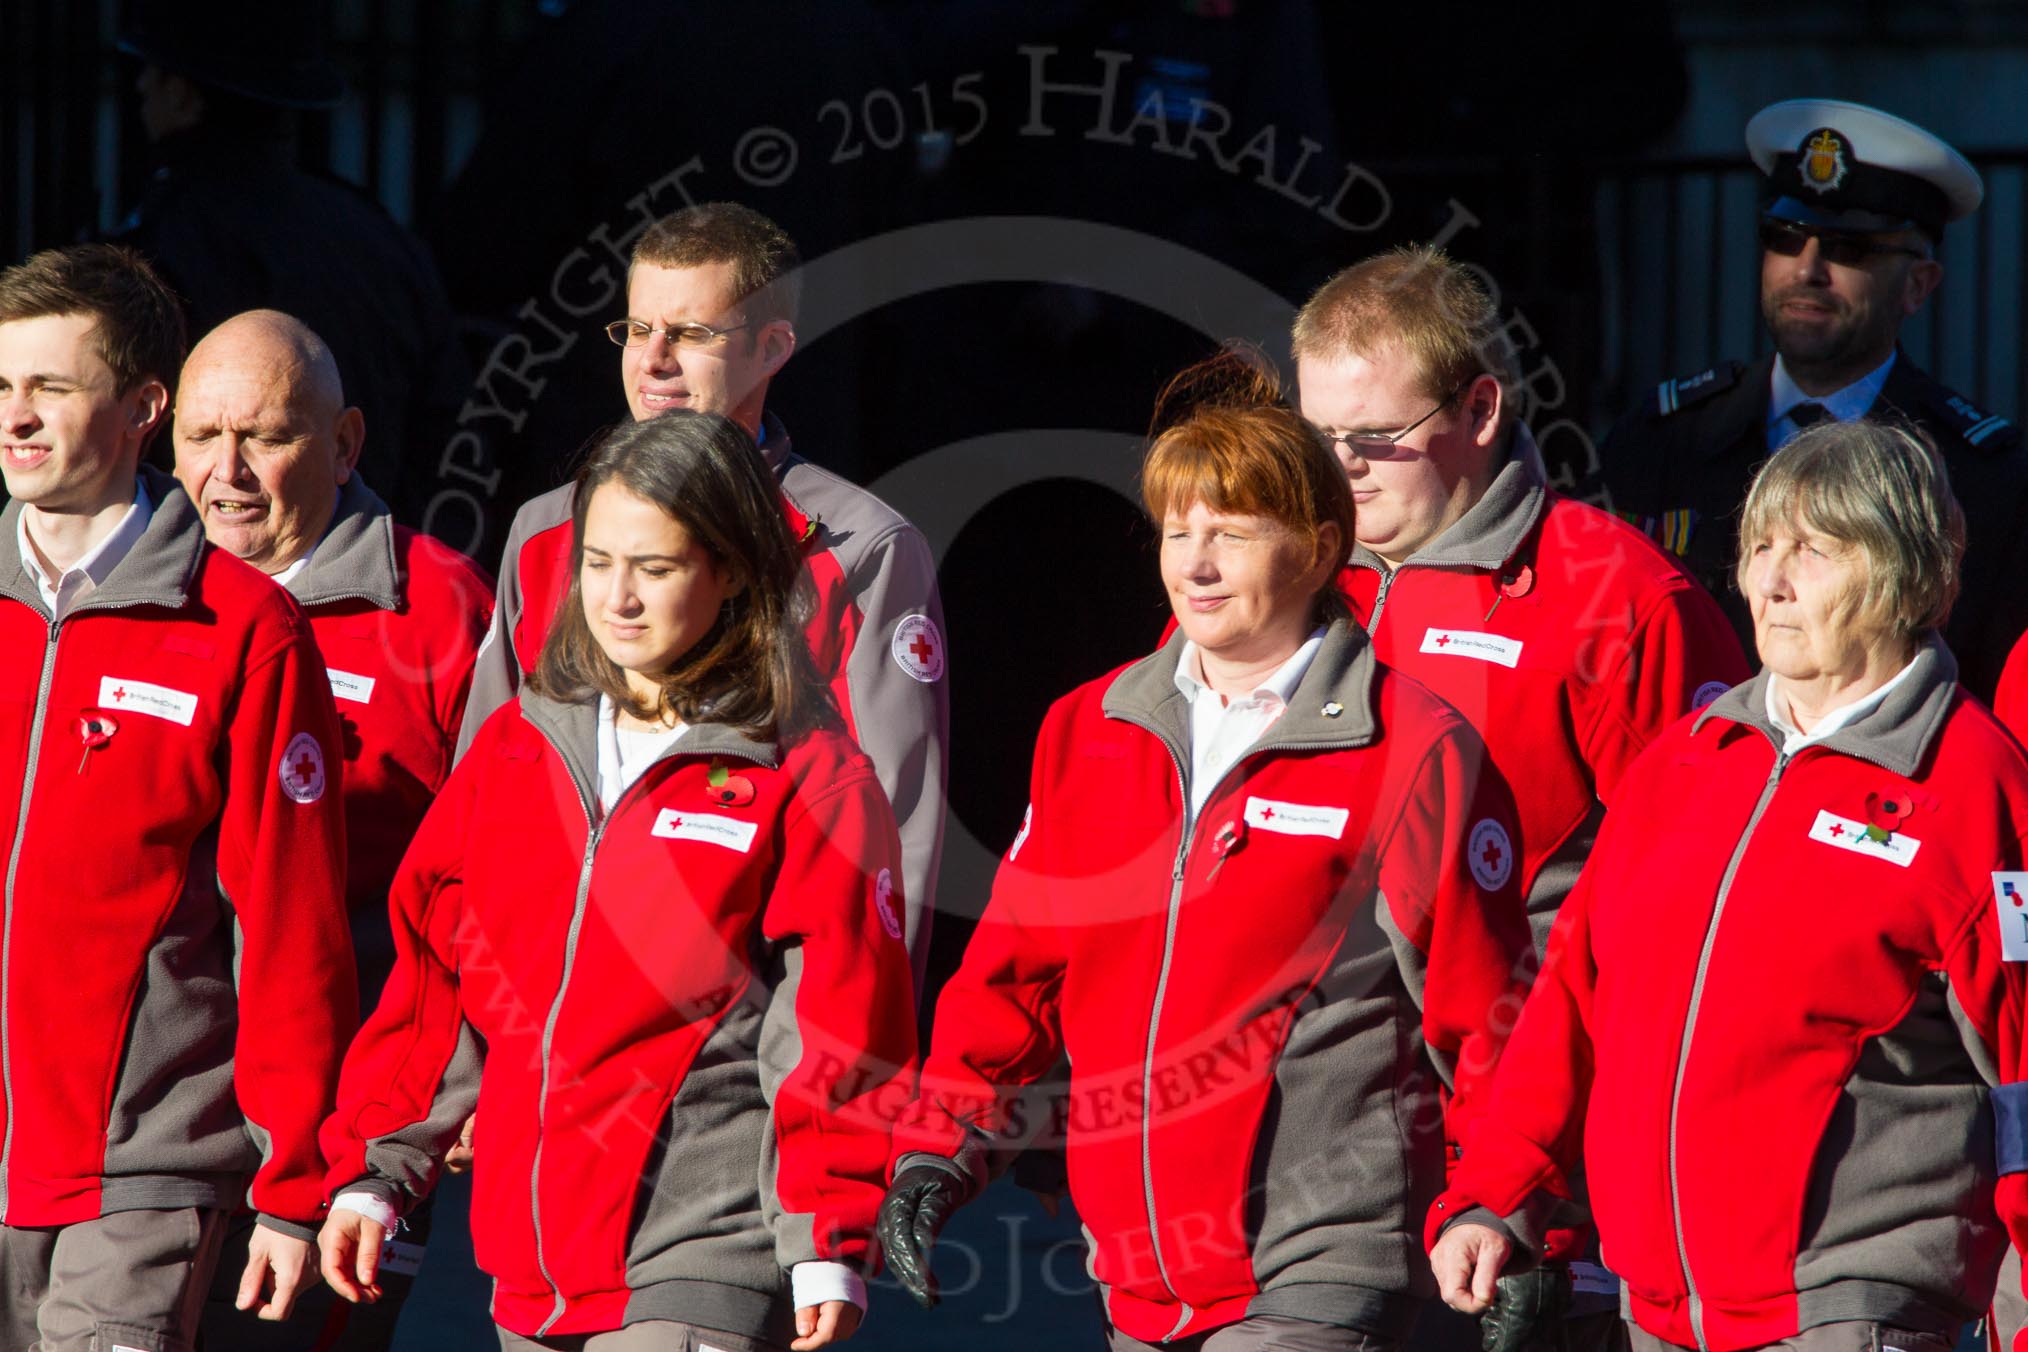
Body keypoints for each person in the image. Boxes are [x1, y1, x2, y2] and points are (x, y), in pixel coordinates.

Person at [877, 365, 1533, 1350]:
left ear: (1317, 549)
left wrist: (1501, 1201)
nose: (1197, 561)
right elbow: (1016, 973)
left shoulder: (1413, 743)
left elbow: (1486, 1013)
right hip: (1136, 1269)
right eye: (1180, 531)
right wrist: (941, 1147)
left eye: (1232, 532)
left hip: (1326, 1254)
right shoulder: (1091, 727)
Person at [317, 410, 917, 1352]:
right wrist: (378, 1166)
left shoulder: (805, 773)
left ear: (731, 571)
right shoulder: (519, 745)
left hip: (707, 1245)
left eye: (657, 567)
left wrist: (826, 1232)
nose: (618, 597)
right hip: (531, 1259)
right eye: (598, 562)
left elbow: (839, 1022)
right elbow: (435, 975)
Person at [1429, 421, 2028, 1352]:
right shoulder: (1686, 760)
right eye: (1760, 548)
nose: (1771, 582)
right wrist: (1496, 1194)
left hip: (1852, 1305)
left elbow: (2023, 1077)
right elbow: (1572, 1001)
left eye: (1815, 551)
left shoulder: (1975, 788)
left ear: (1905, 574)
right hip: (1655, 1309)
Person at [1295, 244, 1750, 1349]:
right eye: (1314, 441)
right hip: (1300, 1168)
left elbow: (1684, 914)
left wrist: (1553, 1193)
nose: (1339, 469)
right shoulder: (1285, 575)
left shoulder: (1619, 599)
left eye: (1374, 440)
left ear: (1482, 408)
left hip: (1528, 1180)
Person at [0, 245, 355, 1348]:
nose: (16, 417)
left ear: (143, 406)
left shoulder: (243, 625)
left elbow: (290, 919)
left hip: (142, 1166)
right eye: (2, 387)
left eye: (52, 388)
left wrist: (294, 1176)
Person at [461, 201, 947, 990]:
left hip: (739, 1038)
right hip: (537, 1019)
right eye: (635, 330)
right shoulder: (545, 531)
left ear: (772, 347)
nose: (652, 360)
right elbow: (481, 798)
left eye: (689, 335)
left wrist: (836, 1075)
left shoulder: (861, 547)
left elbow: (892, 837)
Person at [170, 309, 495, 1349]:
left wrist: (471, 1074)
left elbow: (501, 869)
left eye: (263, 436)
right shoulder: (131, 594)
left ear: (346, 442)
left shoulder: (439, 610)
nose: (228, 472)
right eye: (200, 437)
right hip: (155, 1103)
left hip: (354, 1106)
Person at [1592, 98, 2028, 700]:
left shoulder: (1985, 477)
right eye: (1785, 238)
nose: (1807, 269)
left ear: (1918, 286)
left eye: (1848, 249)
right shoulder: (1662, 435)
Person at [112, 0, 467, 526]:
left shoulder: (160, 242)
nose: (139, 88)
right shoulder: (376, 232)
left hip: (219, 557)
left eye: (151, 72)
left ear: (184, 94)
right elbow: (448, 419)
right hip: (387, 543)